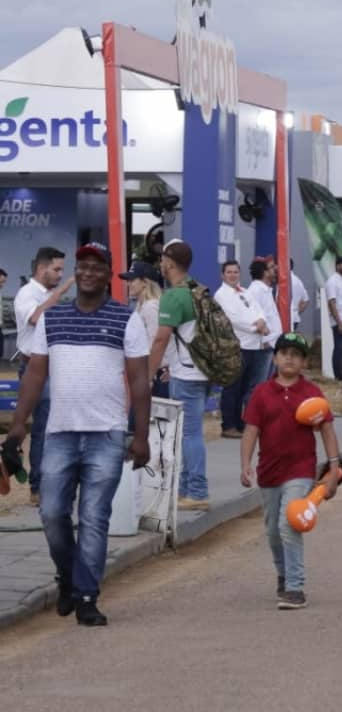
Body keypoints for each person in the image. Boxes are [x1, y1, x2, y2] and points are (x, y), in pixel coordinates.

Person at [3, 242, 151, 626]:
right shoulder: (52, 319)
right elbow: (36, 373)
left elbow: (139, 380)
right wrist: (18, 427)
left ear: (107, 275)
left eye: (96, 267)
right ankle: (68, 575)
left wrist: (141, 435)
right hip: (59, 435)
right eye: (82, 266)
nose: (88, 272)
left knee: (94, 517)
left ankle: (87, 595)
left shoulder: (126, 319)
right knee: (52, 514)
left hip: (107, 434)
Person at [240, 332, 342, 610]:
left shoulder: (312, 394)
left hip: (300, 469)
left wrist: (333, 468)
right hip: (269, 471)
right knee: (273, 531)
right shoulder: (262, 393)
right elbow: (251, 431)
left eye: (295, 354)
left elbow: (327, 430)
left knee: (290, 523)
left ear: (303, 362)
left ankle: (295, 587)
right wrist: (245, 465)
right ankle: (284, 576)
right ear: (274, 358)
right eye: (284, 353)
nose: (289, 358)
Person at [149, 241, 211, 511]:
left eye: (162, 260)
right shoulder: (198, 289)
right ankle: (187, 491)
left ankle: (196, 491)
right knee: (190, 433)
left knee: (189, 435)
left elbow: (161, 340)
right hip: (202, 370)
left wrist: (148, 374)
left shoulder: (174, 296)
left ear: (170, 263)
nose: (160, 264)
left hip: (186, 373)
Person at [13, 247, 74, 506]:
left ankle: (50, 483)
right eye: (57, 269)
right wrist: (62, 292)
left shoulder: (48, 295)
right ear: (41, 268)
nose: (61, 275)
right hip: (35, 369)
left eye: (62, 270)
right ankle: (38, 488)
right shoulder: (27, 294)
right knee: (42, 430)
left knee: (55, 428)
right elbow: (36, 317)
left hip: (55, 368)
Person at [214, 261, 270, 440]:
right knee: (232, 387)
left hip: (252, 345)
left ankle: (239, 423)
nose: (233, 275)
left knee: (245, 387)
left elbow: (259, 310)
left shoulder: (244, 292)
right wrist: (257, 328)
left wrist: (261, 321)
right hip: (236, 346)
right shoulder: (221, 295)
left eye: (236, 272)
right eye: (229, 272)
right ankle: (228, 425)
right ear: (222, 275)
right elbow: (233, 319)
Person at [120, 261, 167, 399]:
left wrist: (149, 376)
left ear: (145, 282)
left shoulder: (150, 306)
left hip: (156, 374)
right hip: (150, 372)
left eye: (132, 280)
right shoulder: (142, 305)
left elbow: (157, 342)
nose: (128, 283)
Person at [324, 257, 342, 381]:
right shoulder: (332, 281)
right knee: (339, 349)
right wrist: (339, 323)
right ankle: (338, 377)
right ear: (338, 266)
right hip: (339, 321)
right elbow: (332, 303)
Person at [288, 258, 310, 332]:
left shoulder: (282, 280)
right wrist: (297, 311)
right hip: (294, 318)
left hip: (286, 319)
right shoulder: (298, 281)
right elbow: (306, 300)